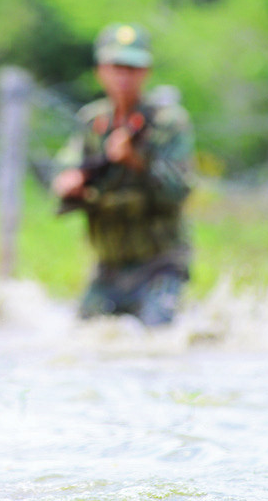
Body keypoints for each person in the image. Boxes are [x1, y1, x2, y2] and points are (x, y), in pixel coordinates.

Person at [51, 22, 194, 326]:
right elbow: (64, 168)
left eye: (132, 68)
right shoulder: (93, 122)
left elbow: (180, 190)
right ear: (100, 70)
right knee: (84, 337)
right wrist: (70, 182)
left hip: (160, 263)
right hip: (109, 266)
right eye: (116, 66)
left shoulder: (168, 123)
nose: (124, 76)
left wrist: (137, 161)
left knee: (160, 336)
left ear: (146, 72)